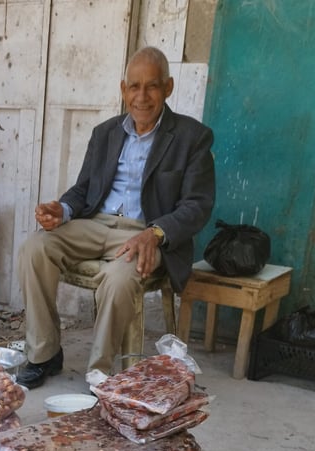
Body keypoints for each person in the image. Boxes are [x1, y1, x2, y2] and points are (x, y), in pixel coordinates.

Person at [16, 46, 216, 388]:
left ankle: (101, 371)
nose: (142, 96)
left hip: (145, 233)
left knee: (120, 279)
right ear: (123, 90)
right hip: (97, 224)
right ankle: (44, 353)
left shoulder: (192, 137)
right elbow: (84, 190)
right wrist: (60, 210)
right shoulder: (105, 133)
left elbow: (197, 205)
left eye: (151, 86)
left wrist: (155, 234)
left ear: (168, 88)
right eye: (133, 87)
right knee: (35, 247)